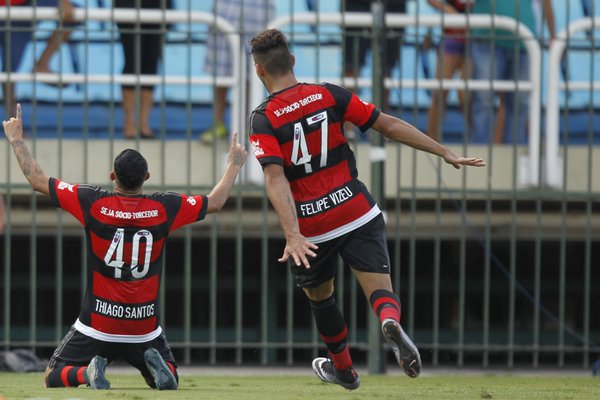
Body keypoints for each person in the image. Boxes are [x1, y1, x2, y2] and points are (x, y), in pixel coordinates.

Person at [248, 29, 486, 390]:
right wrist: (443, 151)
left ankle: (344, 369)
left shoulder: (264, 118)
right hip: (355, 209)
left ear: (258, 71)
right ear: (293, 61)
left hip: (314, 225)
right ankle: (389, 321)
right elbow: (386, 124)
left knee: (321, 297)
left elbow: (275, 178)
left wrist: (292, 234)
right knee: (379, 289)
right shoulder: (328, 94)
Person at [3, 103, 247, 390]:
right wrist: (234, 163)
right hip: (142, 324)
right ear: (146, 177)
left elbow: (36, 180)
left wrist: (16, 140)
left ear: (112, 176)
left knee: (52, 377)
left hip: (98, 322)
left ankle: (87, 373)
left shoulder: (92, 202)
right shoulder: (165, 207)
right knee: (168, 378)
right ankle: (160, 366)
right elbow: (215, 202)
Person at [470, 0, 555, 144]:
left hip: (524, 41)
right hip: (488, 38)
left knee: (518, 102)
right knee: (484, 99)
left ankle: (511, 152)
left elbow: (546, 2)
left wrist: (553, 36)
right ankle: (479, 152)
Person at [201, 0, 275, 143]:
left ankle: (250, 124)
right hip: (227, 7)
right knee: (220, 70)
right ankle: (219, 122)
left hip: (258, 9)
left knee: (255, 71)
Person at [1, 0, 76, 117]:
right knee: (10, 71)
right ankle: (13, 124)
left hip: (22, 7)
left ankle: (42, 64)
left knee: (74, 14)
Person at [114, 0, 172, 139]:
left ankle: (144, 122)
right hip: (129, 7)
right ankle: (129, 121)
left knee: (151, 62)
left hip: (158, 6)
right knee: (132, 61)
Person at [343, 0, 405, 115]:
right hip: (357, 5)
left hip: (394, 5)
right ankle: (347, 126)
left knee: (387, 68)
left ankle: (380, 123)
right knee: (351, 66)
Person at [426, 0, 473, 142]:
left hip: (475, 41)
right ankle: (431, 140)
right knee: (440, 93)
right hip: (450, 38)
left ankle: (477, 138)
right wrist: (448, 9)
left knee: (465, 95)